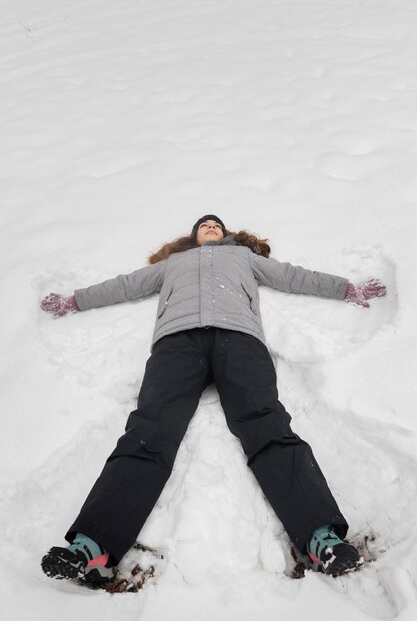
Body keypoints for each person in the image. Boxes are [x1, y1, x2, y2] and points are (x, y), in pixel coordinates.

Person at [40, 215, 386, 581]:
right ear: (193, 236)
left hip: (239, 340)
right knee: (150, 429)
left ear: (226, 234)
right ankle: (92, 543)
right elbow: (125, 285)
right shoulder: (173, 264)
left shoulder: (243, 257)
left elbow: (293, 276)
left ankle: (321, 537)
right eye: (204, 224)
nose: (210, 226)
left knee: (266, 422)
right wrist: (75, 300)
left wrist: (347, 289)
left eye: (216, 225)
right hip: (178, 343)